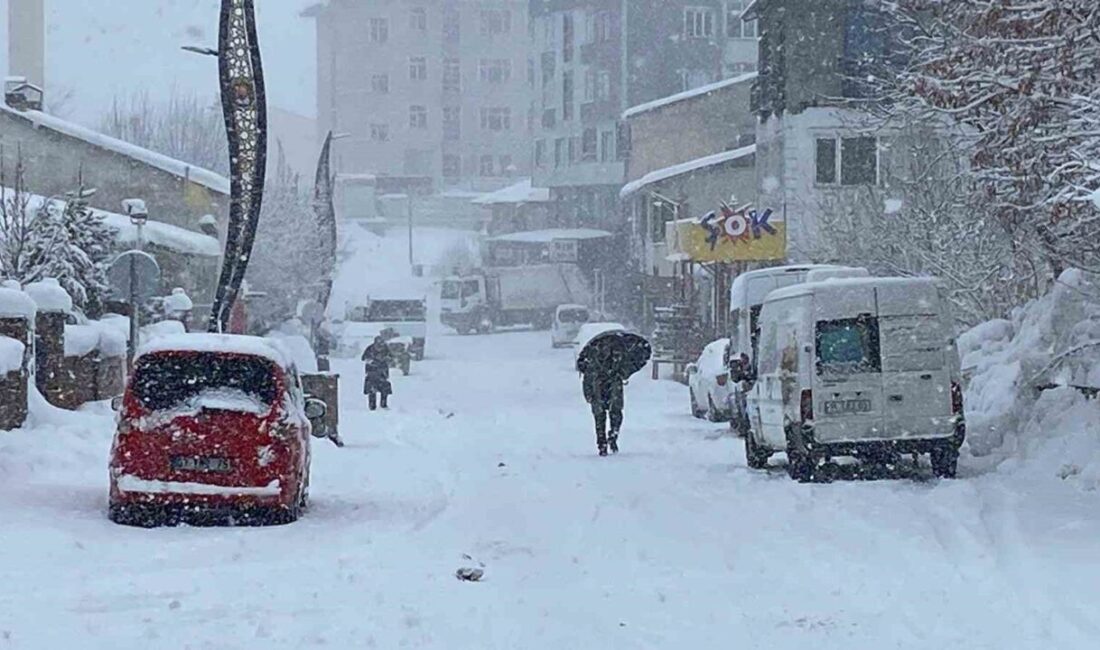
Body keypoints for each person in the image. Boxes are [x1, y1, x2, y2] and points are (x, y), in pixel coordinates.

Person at [581, 343, 627, 457]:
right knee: (600, 420)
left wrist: (620, 371)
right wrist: (588, 394)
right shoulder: (591, 358)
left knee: (616, 416)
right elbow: (587, 377)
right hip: (598, 392)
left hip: (613, 392)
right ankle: (602, 444)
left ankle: (613, 436)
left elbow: (624, 372)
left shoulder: (619, 358)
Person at [362, 335, 393, 410]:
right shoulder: (370, 348)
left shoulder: (386, 348)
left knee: (384, 389)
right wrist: (371, 361)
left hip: (383, 372)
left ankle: (383, 404)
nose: (379, 346)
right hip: (372, 372)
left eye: (381, 343)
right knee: (372, 389)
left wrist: (386, 359)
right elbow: (364, 358)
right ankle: (372, 406)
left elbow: (391, 357)